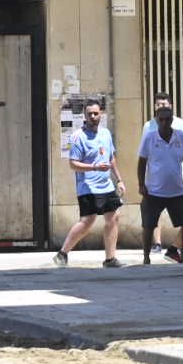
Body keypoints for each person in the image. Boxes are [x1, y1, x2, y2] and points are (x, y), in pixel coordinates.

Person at [53, 100, 127, 267]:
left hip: (106, 185)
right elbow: (73, 164)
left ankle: (110, 259)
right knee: (88, 221)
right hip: (87, 186)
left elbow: (111, 158)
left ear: (100, 114)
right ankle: (62, 253)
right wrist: (94, 167)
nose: (93, 116)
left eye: (96, 113)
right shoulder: (77, 137)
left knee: (114, 217)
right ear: (85, 116)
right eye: (90, 114)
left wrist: (119, 180)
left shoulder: (106, 134)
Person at [137, 100, 183, 265]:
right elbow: (142, 162)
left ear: (172, 120)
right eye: (161, 119)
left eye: (167, 119)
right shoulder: (149, 137)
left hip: (178, 190)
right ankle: (146, 257)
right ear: (157, 120)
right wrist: (141, 185)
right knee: (148, 225)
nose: (164, 122)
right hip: (154, 191)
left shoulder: (179, 136)